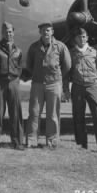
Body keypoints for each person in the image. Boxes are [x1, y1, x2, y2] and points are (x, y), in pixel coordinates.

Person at [24, 21, 71, 149]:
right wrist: (37, 74)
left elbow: (67, 66)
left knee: (53, 114)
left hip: (54, 84)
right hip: (37, 84)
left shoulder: (60, 47)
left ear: (52, 32)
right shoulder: (34, 47)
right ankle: (32, 140)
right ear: (40, 32)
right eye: (43, 30)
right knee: (34, 112)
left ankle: (52, 141)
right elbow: (29, 65)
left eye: (48, 30)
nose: (46, 32)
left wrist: (57, 75)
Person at [64, 28, 97, 152]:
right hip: (77, 86)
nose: (81, 39)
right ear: (75, 39)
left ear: (87, 38)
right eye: (79, 37)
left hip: (92, 86)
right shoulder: (71, 53)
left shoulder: (94, 52)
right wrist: (66, 90)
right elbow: (66, 74)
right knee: (78, 116)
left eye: (83, 36)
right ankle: (82, 144)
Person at [0, 22, 24, 151]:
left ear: (13, 32)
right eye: (6, 31)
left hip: (13, 82)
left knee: (16, 113)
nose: (8, 33)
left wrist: (15, 78)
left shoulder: (18, 50)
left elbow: (19, 68)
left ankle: (18, 142)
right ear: (2, 33)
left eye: (10, 31)